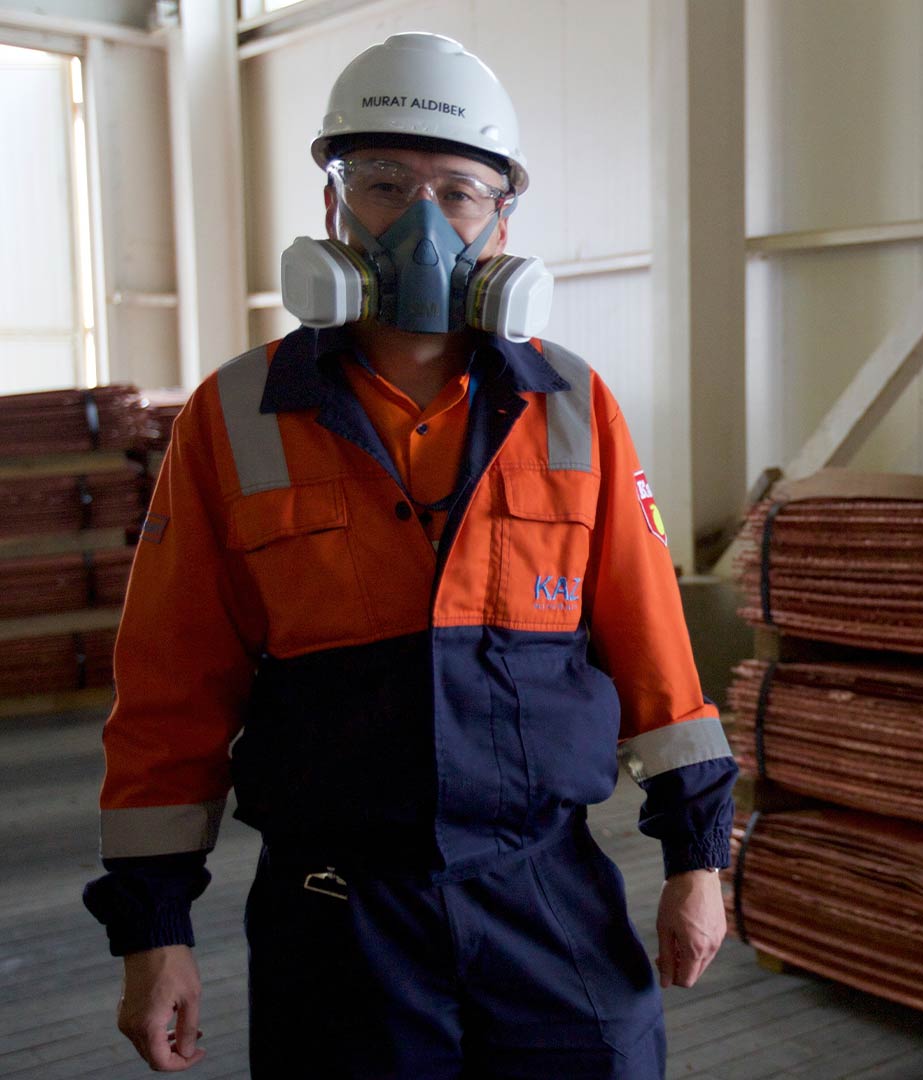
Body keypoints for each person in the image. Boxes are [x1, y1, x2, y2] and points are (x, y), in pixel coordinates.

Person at [81, 32, 736, 1077]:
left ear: (503, 220)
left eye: (459, 192)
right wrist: (153, 930)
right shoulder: (236, 417)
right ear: (334, 207)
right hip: (337, 907)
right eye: (384, 184)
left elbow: (659, 659)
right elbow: (171, 691)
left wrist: (698, 860)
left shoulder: (574, 406)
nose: (422, 222)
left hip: (544, 888)